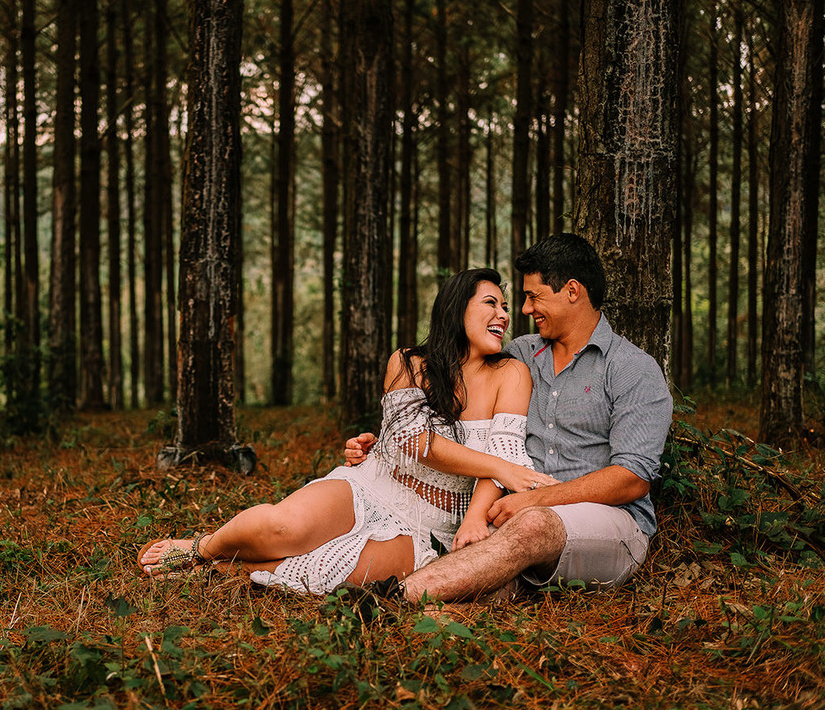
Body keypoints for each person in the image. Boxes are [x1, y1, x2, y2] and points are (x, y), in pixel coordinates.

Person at [137, 268, 559, 595]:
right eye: (491, 303)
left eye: (506, 307)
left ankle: (218, 572)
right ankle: (202, 547)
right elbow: (413, 442)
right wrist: (502, 468)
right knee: (284, 528)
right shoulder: (409, 363)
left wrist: (474, 518)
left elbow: (504, 453)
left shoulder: (511, 374)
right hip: (375, 485)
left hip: (435, 524)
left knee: (334, 574)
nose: (504, 315)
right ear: (456, 309)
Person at [345, 233, 673, 603]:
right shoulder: (519, 355)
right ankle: (436, 610)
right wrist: (390, 445)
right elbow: (463, 418)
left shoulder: (631, 369)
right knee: (477, 570)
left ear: (572, 290)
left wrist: (536, 500)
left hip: (609, 523)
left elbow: (632, 479)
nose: (525, 309)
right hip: (511, 519)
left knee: (532, 526)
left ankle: (392, 600)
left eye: (534, 296)